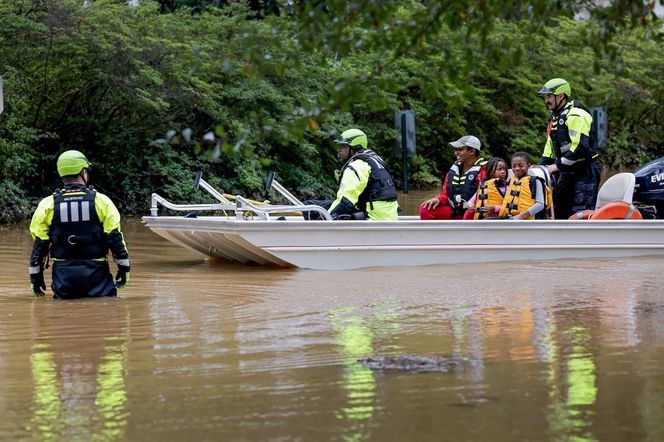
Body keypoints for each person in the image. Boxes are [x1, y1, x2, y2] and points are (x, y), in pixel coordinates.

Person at [28, 150, 130, 299]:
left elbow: (40, 244)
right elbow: (115, 238)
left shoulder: (47, 204)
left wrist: (35, 277)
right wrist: (124, 268)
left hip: (63, 278)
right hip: (97, 276)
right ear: (83, 171)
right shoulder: (102, 201)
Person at [538, 78, 602, 219]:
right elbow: (550, 146)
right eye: (545, 97)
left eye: (549, 96)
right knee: (559, 208)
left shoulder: (576, 114)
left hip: (585, 170)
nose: (546, 100)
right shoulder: (554, 118)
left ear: (561, 96)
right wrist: (541, 166)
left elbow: (581, 148)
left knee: (580, 212)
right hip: (567, 170)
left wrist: (557, 166)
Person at [305, 128, 399, 221]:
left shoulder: (357, 166)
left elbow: (346, 202)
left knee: (310, 207)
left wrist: (323, 220)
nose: (339, 150)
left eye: (344, 146)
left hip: (372, 217)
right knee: (316, 206)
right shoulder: (374, 159)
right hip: (386, 215)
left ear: (354, 148)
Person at [419, 135, 487, 220]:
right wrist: (438, 199)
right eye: (456, 149)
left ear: (472, 151)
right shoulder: (453, 171)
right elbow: (445, 195)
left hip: (474, 212)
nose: (456, 152)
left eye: (460, 149)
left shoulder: (484, 170)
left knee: (471, 213)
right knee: (425, 209)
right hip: (455, 211)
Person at [499, 152, 547, 220]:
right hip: (509, 218)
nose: (517, 168)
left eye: (521, 166)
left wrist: (521, 216)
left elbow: (540, 204)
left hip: (525, 221)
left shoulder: (535, 181)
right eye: (514, 166)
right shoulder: (511, 181)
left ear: (528, 165)